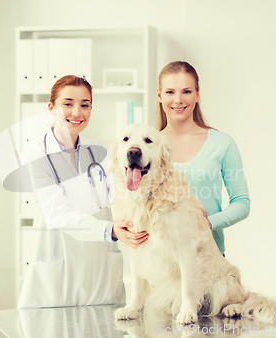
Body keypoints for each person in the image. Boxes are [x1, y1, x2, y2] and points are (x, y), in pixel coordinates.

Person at [17, 75, 148, 309]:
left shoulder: (99, 150)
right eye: (67, 104)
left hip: (99, 272)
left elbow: (118, 192)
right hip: (58, 274)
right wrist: (111, 230)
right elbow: (58, 214)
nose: (77, 112)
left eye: (85, 105)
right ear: (51, 108)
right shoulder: (36, 157)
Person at [157, 61, 250, 257]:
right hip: (162, 260)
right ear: (159, 95)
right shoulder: (148, 148)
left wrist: (208, 223)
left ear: (197, 94)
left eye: (187, 92)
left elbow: (241, 203)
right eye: (170, 92)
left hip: (209, 257)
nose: (178, 99)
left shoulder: (222, 143)